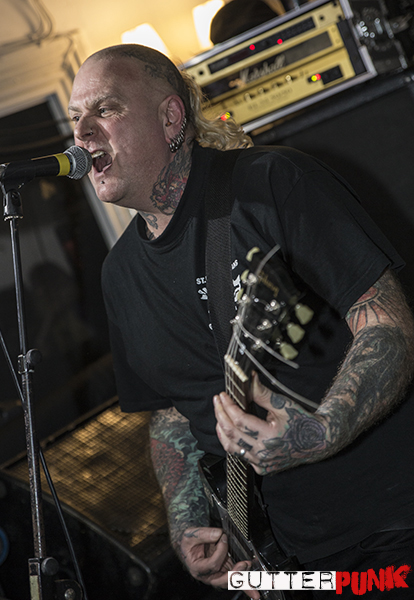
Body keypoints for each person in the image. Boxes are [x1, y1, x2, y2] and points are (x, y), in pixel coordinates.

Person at [68, 43, 414, 599]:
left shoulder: (270, 184)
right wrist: (187, 524)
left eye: (104, 109)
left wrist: (320, 431)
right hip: (290, 557)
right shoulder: (119, 275)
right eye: (74, 117)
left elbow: (386, 324)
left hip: (392, 523)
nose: (82, 132)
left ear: (170, 117)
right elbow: (171, 413)